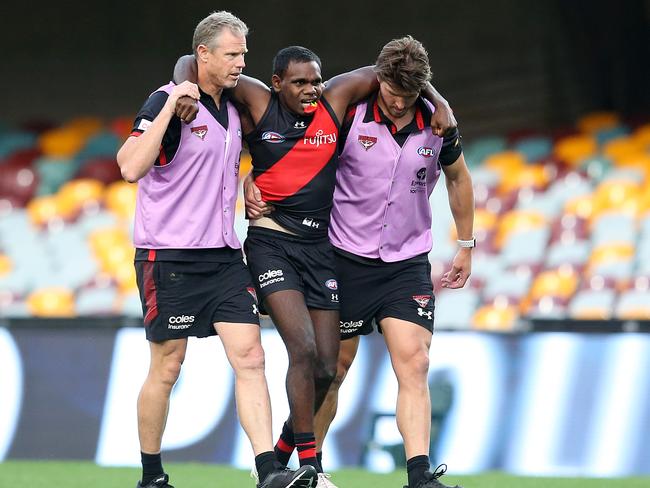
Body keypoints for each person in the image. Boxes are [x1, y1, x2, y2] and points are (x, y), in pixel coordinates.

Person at [173, 44, 455, 488]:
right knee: (304, 350)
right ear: (277, 83)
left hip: (321, 249)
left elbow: (388, 72)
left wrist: (439, 101)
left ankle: (287, 453)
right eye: (300, 82)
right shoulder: (259, 102)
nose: (310, 90)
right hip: (271, 242)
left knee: (328, 368)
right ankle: (309, 466)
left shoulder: (336, 101)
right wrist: (185, 88)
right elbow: (196, 63)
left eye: (315, 81)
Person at [246, 36, 472, 488]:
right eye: (390, 94)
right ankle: (311, 467)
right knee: (332, 371)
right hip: (343, 258)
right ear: (379, 81)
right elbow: (300, 153)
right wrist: (256, 177)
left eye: (407, 97)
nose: (396, 104)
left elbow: (458, 177)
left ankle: (420, 475)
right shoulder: (350, 112)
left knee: (416, 362)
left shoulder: (438, 124)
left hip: (406, 263)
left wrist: (466, 242)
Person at [116, 11, 317, 488]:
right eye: (232, 54)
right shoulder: (168, 101)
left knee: (251, 357)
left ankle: (269, 470)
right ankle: (151, 476)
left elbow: (230, 162)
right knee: (167, 367)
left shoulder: (232, 107)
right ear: (203, 54)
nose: (240, 63)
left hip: (224, 255)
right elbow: (129, 166)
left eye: (244, 53)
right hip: (170, 256)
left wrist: (248, 180)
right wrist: (170, 106)